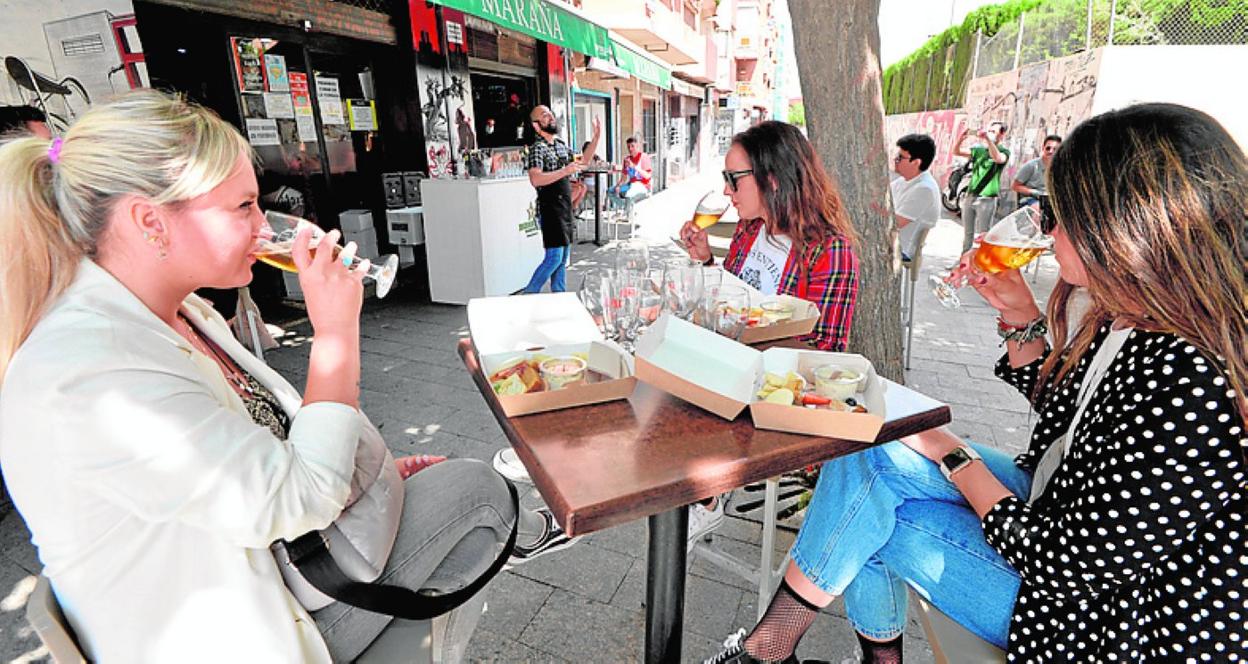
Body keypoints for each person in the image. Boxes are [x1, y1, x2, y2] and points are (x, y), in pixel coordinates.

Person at [0, 90, 575, 663]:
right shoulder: (91, 370)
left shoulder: (181, 313)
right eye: (243, 207)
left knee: (454, 488)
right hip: (239, 631)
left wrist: (363, 480)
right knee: (482, 496)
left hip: (271, 563)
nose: (264, 226)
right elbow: (296, 497)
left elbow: (258, 450)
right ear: (150, 221)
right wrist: (335, 334)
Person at [702, 103, 1247, 664]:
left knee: (868, 512)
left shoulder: (1193, 381)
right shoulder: (1137, 316)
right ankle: (782, 652)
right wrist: (1020, 316)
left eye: (1059, 212)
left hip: (1104, 622)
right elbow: (1069, 416)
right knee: (865, 460)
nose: (1047, 228)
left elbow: (1062, 562)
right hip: (1057, 509)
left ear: (1128, 227)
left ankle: (771, 651)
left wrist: (953, 455)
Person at [680, 120, 860, 550]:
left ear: (773, 178)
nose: (727, 191)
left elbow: (825, 353)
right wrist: (706, 264)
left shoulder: (828, 250)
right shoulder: (750, 227)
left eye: (733, 179)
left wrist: (753, 341)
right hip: (733, 366)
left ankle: (705, 497)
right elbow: (734, 301)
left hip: (777, 393)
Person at [523, 105, 601, 293]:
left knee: (563, 257)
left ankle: (560, 295)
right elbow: (535, 179)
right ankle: (528, 293)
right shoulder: (537, 148)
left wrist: (596, 137)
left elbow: (582, 163)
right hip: (550, 209)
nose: (549, 116)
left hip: (564, 208)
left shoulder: (560, 145)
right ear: (536, 125)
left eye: (549, 113)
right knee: (554, 258)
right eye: (544, 115)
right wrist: (565, 171)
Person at [952, 120, 1010, 253]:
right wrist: (961, 139)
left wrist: (989, 141)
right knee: (968, 234)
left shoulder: (1004, 151)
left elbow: (998, 158)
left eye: (994, 132)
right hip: (971, 195)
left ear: (1001, 135)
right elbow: (957, 152)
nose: (990, 134)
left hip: (987, 198)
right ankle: (963, 262)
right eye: (989, 131)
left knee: (984, 235)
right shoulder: (978, 150)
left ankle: (981, 265)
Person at [890, 133, 940, 261]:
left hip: (901, 248)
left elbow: (894, 224)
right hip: (891, 241)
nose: (895, 160)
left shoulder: (925, 189)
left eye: (900, 157)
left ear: (916, 162)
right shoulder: (904, 180)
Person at [1011, 133, 1062, 209]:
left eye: (1055, 149)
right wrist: (1034, 192)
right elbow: (1015, 186)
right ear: (1043, 148)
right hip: (1030, 199)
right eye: (1048, 148)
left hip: (1052, 200)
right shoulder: (1031, 166)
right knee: (1038, 209)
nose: (1051, 151)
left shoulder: (1061, 168)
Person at [607, 136, 653, 209]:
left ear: (637, 146)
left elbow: (648, 176)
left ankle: (627, 213)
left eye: (632, 146)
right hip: (631, 184)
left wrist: (635, 167)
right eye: (628, 147)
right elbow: (623, 178)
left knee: (629, 195)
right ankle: (625, 207)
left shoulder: (644, 157)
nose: (630, 149)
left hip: (643, 185)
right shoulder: (627, 160)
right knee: (610, 191)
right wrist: (618, 186)